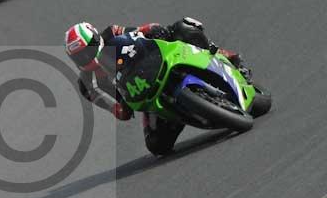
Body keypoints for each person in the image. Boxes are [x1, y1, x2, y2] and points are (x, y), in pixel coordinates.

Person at [64, 18, 251, 156]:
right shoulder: (88, 84)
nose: (86, 58)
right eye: (79, 57)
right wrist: (122, 108)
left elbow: (143, 30)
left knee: (182, 28)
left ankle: (230, 57)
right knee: (156, 146)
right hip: (143, 95)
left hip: (155, 63)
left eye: (87, 50)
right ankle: (181, 114)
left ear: (96, 39)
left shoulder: (112, 33)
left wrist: (154, 30)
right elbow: (117, 111)